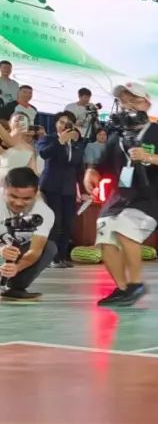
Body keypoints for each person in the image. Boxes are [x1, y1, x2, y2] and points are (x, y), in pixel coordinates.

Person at [83, 84, 158, 306]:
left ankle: (136, 284)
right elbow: (101, 164)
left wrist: (149, 157)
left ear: (146, 103)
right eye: (123, 100)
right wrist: (91, 171)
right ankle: (122, 288)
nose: (127, 105)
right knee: (105, 237)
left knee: (124, 230)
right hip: (120, 198)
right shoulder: (117, 136)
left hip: (149, 198)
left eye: (133, 100)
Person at [37, 110, 86, 269]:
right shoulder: (49, 139)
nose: (64, 125)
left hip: (69, 188)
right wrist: (60, 141)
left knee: (68, 223)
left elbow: (79, 169)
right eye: (61, 122)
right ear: (56, 124)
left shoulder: (76, 143)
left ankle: (61, 257)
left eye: (68, 123)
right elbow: (44, 154)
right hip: (52, 186)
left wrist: (83, 190)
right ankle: (50, 258)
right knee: (55, 222)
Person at [0, 167, 56, 300]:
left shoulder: (44, 213)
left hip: (17, 253)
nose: (18, 203)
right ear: (3, 189)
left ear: (36, 194)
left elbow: (35, 251)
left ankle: (14, 286)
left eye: (26, 198)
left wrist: (16, 267)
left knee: (50, 247)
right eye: (13, 196)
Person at [0, 113, 40, 182]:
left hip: (16, 184)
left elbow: (33, 171)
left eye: (23, 121)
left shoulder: (29, 148)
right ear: (9, 123)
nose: (20, 123)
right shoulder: (2, 139)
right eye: (16, 121)